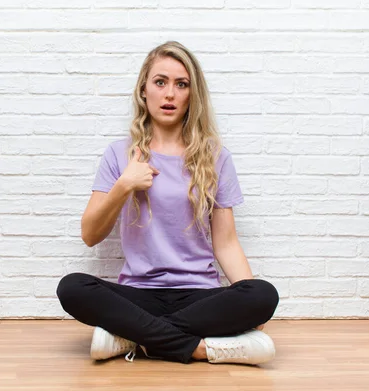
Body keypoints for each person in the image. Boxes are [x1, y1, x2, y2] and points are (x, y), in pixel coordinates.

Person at [56, 41, 279, 365]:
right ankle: (203, 348)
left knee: (263, 295)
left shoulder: (216, 158)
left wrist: (252, 306)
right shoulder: (119, 155)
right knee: (72, 287)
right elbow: (90, 235)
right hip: (138, 295)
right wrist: (124, 185)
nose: (170, 94)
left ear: (192, 95)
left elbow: (227, 244)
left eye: (181, 84)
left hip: (199, 297)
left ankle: (130, 337)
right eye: (160, 82)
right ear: (144, 91)